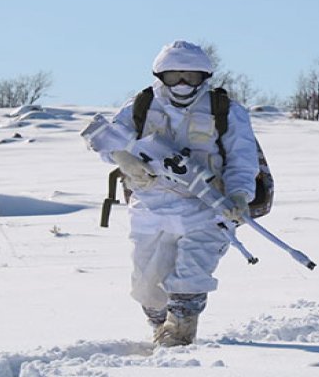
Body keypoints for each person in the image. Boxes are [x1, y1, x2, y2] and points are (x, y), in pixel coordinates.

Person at [101, 41, 261, 347]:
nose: (183, 84)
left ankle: (179, 341)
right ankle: (161, 327)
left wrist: (240, 195)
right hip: (150, 208)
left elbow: (242, 158)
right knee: (148, 288)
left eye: (191, 76)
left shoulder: (225, 110)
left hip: (207, 208)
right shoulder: (142, 104)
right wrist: (123, 158)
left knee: (190, 276)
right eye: (175, 77)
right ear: (160, 76)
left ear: (205, 76)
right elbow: (105, 139)